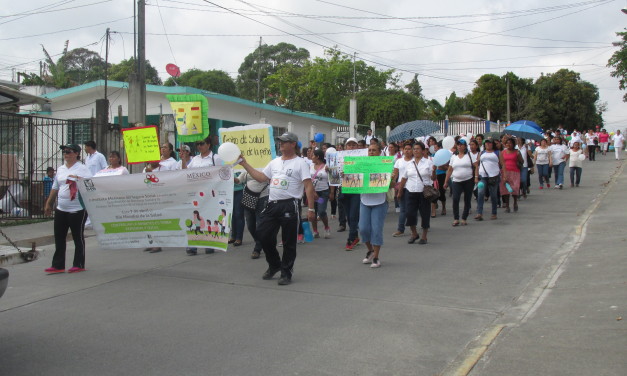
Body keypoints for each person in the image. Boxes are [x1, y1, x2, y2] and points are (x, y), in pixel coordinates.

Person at [238, 132, 315, 285]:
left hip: (290, 204)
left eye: (284, 142)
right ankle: (274, 265)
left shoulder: (300, 163)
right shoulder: (275, 162)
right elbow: (261, 177)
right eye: (280, 141)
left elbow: (308, 186)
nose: (281, 144)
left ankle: (286, 272)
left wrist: (311, 209)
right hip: (272, 204)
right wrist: (244, 164)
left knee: (288, 241)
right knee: (262, 234)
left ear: (293, 144)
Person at [43, 144, 92, 274]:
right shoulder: (61, 169)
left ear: (76, 154)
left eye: (69, 152)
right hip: (61, 208)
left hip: (77, 208)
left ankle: (79, 263)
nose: (66, 154)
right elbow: (55, 187)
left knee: (77, 237)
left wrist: (77, 179)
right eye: (64, 152)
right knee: (59, 237)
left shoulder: (82, 169)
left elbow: (90, 184)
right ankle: (58, 265)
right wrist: (49, 203)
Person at [182, 136, 224, 255]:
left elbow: (222, 173)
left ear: (208, 145)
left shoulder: (216, 158)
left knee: (209, 218)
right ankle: (193, 246)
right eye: (198, 144)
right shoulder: (195, 159)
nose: (199, 146)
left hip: (211, 193)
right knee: (195, 218)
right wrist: (184, 160)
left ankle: (209, 243)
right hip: (195, 193)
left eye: (202, 143)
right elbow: (185, 172)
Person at [397, 141, 434, 244]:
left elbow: (433, 178)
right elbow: (404, 178)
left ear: (423, 151)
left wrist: (434, 172)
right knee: (410, 213)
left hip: (424, 193)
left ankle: (424, 236)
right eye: (414, 149)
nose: (416, 151)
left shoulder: (428, 162)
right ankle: (414, 233)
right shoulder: (409, 164)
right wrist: (400, 191)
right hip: (411, 191)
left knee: (425, 213)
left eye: (418, 149)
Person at [359, 142, 390, 268]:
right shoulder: (361, 164)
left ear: (379, 152)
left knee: (376, 229)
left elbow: (391, 184)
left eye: (374, 150)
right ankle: (370, 250)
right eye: (369, 150)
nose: (371, 152)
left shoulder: (385, 165)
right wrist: (346, 176)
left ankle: (376, 257)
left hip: (379, 201)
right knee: (363, 229)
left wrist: (391, 179)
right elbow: (353, 179)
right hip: (365, 200)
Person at [236, 170, 269, 259]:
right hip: (248, 198)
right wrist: (229, 176)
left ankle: (257, 248)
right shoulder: (246, 170)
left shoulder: (266, 167)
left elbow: (268, 178)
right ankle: (259, 241)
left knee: (260, 223)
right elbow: (239, 181)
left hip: (262, 198)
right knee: (250, 225)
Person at [444, 139, 475, 226]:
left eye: (461, 145)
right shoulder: (454, 157)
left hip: (468, 180)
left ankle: (464, 218)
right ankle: (456, 218)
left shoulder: (469, 155)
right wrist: (446, 182)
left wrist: (476, 177)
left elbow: (476, 166)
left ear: (465, 146)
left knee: (467, 199)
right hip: (456, 181)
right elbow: (450, 169)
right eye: (458, 145)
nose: (459, 146)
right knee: (455, 199)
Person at [338, 138, 361, 251]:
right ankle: (355, 236)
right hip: (344, 190)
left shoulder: (362, 158)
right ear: (345, 147)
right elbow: (334, 175)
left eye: (354, 145)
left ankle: (351, 239)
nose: (351, 147)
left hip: (356, 189)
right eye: (349, 145)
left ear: (357, 147)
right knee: (349, 216)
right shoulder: (340, 158)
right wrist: (331, 170)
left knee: (353, 215)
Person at [391, 141, 413, 237]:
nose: (407, 151)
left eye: (409, 149)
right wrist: (393, 185)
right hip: (401, 187)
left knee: (412, 209)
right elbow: (395, 174)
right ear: (402, 150)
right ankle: (400, 229)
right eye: (405, 149)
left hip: (412, 188)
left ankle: (413, 229)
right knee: (403, 209)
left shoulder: (415, 161)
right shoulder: (399, 161)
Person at [475, 139, 500, 220]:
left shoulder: (497, 153)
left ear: (492, 144)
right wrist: (476, 176)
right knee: (480, 193)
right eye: (486, 143)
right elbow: (477, 164)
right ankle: (479, 213)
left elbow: (503, 164)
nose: (488, 144)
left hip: (494, 176)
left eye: (489, 143)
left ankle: (494, 212)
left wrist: (504, 175)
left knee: (493, 195)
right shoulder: (481, 153)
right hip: (483, 176)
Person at [310, 149, 331, 239]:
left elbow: (334, 178)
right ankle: (315, 231)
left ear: (317, 156)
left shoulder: (326, 166)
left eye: (313, 155)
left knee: (321, 211)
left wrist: (330, 170)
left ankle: (326, 227)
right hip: (312, 193)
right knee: (313, 212)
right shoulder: (310, 166)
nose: (311, 157)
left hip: (323, 193)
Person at [499, 138, 524, 212]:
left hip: (515, 172)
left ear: (513, 144)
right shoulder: (502, 152)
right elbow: (500, 162)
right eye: (507, 143)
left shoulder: (517, 152)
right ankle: (507, 205)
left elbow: (522, 161)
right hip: (505, 172)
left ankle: (515, 202)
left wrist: (519, 156)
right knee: (505, 189)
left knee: (515, 188)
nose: (508, 145)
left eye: (510, 143)